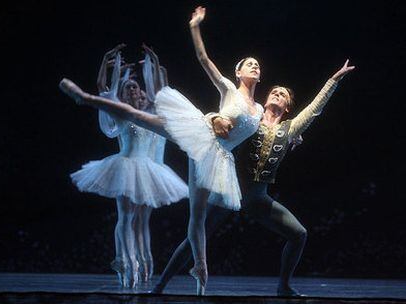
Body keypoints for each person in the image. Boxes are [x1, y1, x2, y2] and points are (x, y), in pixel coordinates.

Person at [59, 6, 265, 294]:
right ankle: (86, 98)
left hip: (215, 157)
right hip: (199, 131)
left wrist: (292, 137)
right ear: (239, 71)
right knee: (140, 117)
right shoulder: (230, 88)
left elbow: (275, 129)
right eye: (250, 63)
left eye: (258, 64)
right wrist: (195, 26)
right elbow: (203, 59)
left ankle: (200, 268)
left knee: (198, 216)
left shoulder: (259, 112)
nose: (255, 66)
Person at [151, 60, 355, 297]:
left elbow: (314, 109)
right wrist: (215, 118)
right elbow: (223, 117)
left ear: (288, 106)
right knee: (196, 237)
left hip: (257, 197)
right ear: (266, 100)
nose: (278, 94)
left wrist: (334, 80)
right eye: (274, 92)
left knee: (299, 234)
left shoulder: (290, 129)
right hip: (231, 189)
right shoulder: (252, 119)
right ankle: (160, 285)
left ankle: (284, 286)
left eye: (283, 94)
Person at [69, 45, 188, 288]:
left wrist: (154, 64)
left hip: (147, 168)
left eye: (135, 86)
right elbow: (104, 91)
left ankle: (145, 259)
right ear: (123, 94)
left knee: (140, 218)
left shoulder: (150, 112)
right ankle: (127, 260)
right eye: (129, 87)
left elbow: (161, 93)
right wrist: (106, 62)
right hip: (124, 166)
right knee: (126, 217)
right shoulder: (121, 113)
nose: (134, 88)